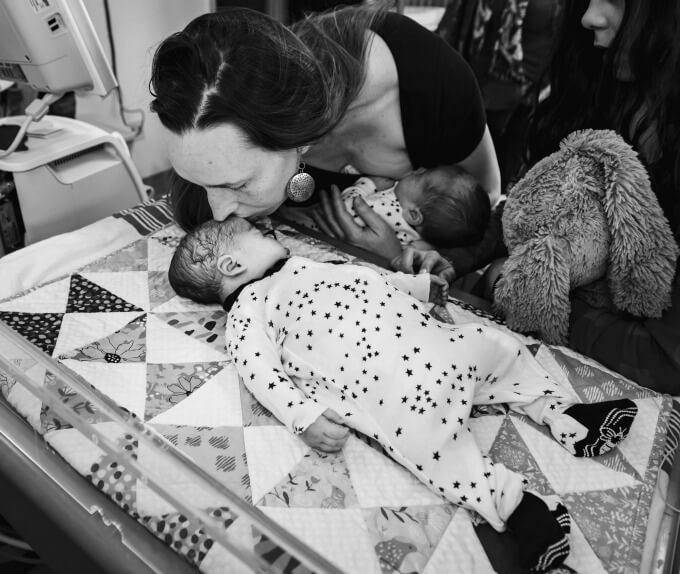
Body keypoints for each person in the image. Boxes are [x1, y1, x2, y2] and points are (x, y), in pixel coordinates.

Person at [167, 215, 640, 571]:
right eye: (261, 232)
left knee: (499, 346)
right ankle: (515, 506)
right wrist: (302, 416)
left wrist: (416, 286)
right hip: (397, 390)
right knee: (432, 449)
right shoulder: (250, 309)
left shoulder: (307, 265)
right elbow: (258, 372)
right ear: (233, 264)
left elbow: (366, 279)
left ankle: (566, 416)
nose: (273, 232)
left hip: (440, 342)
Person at [150, 5, 502, 278]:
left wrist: (415, 258)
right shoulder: (227, 104)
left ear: (300, 135)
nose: (219, 211)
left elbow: (491, 208)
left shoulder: (439, 91)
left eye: (239, 184)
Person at [483, 0, 680, 391]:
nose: (590, 16)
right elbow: (541, 208)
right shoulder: (606, 88)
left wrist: (523, 292)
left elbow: (665, 362)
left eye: (619, 0)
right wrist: (455, 254)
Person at [283, 165, 491, 256]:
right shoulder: (416, 240)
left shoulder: (388, 211)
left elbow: (347, 205)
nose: (417, 170)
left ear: (413, 214)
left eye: (420, 177)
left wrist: (366, 185)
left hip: (305, 231)